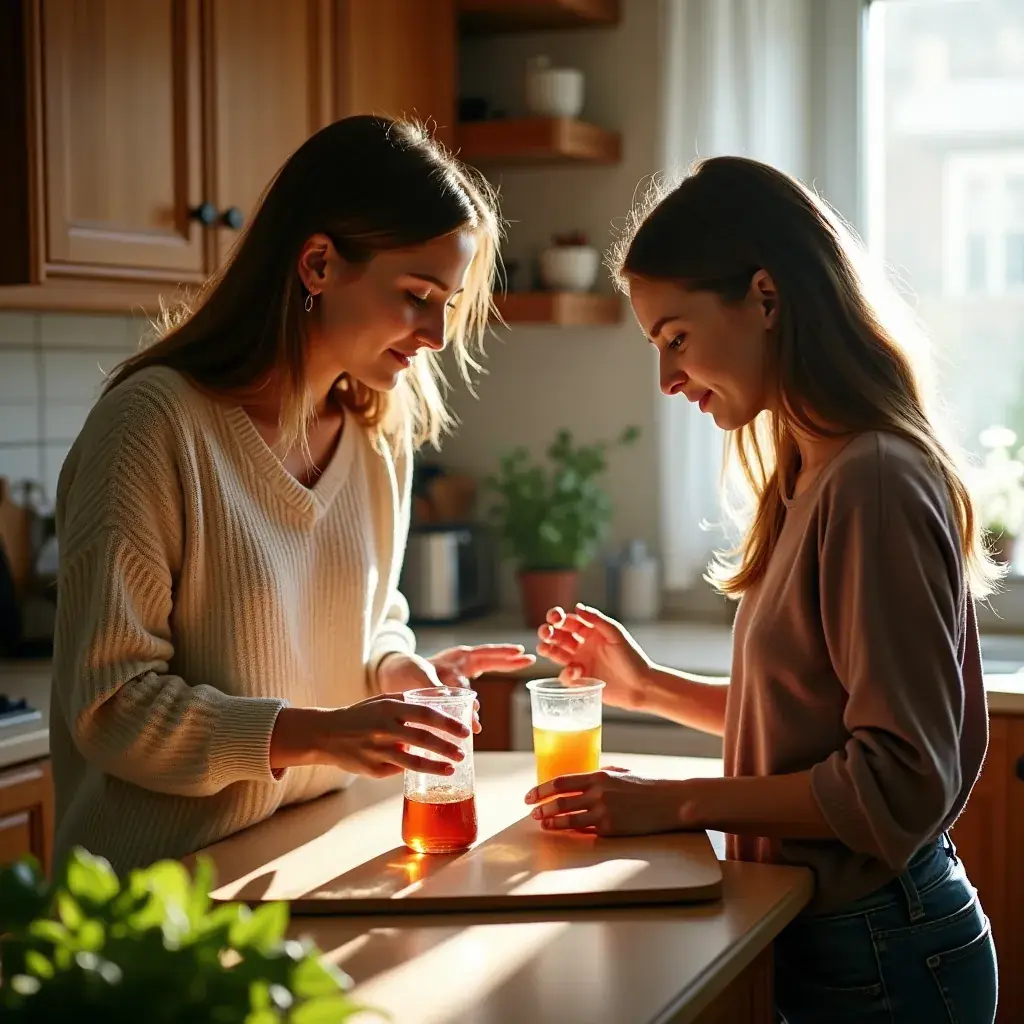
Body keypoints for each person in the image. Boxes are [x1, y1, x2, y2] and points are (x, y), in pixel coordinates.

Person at [526, 157, 998, 1023]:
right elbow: (810, 722)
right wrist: (648, 688)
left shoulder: (875, 480)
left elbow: (894, 781)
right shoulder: (809, 470)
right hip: (837, 936)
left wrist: (670, 803)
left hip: (886, 950)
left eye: (676, 338)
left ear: (766, 298)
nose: (667, 381)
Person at [51, 115, 534, 875]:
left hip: (309, 855)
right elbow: (112, 707)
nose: (438, 333)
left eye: (449, 300)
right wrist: (319, 734)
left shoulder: (377, 436)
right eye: (416, 294)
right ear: (317, 263)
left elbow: (369, 624)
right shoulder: (152, 428)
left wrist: (399, 673)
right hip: (158, 903)